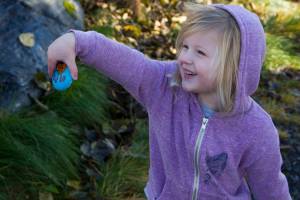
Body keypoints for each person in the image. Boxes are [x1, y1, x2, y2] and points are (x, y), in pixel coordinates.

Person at [47, 2, 292, 200]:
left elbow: (270, 189)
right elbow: (127, 62)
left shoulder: (256, 129)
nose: (185, 57)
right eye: (184, 46)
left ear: (235, 66)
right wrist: (78, 42)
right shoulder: (164, 87)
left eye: (200, 52)